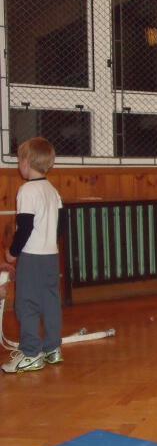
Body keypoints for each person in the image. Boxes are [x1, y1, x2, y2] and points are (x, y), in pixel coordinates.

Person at [1, 137, 63, 374]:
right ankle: (52, 349)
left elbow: (25, 227)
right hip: (51, 256)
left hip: (32, 258)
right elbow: (60, 227)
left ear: (26, 162)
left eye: (19, 160)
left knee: (26, 304)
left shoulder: (27, 190)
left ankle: (30, 354)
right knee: (50, 302)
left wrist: (12, 253)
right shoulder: (52, 191)